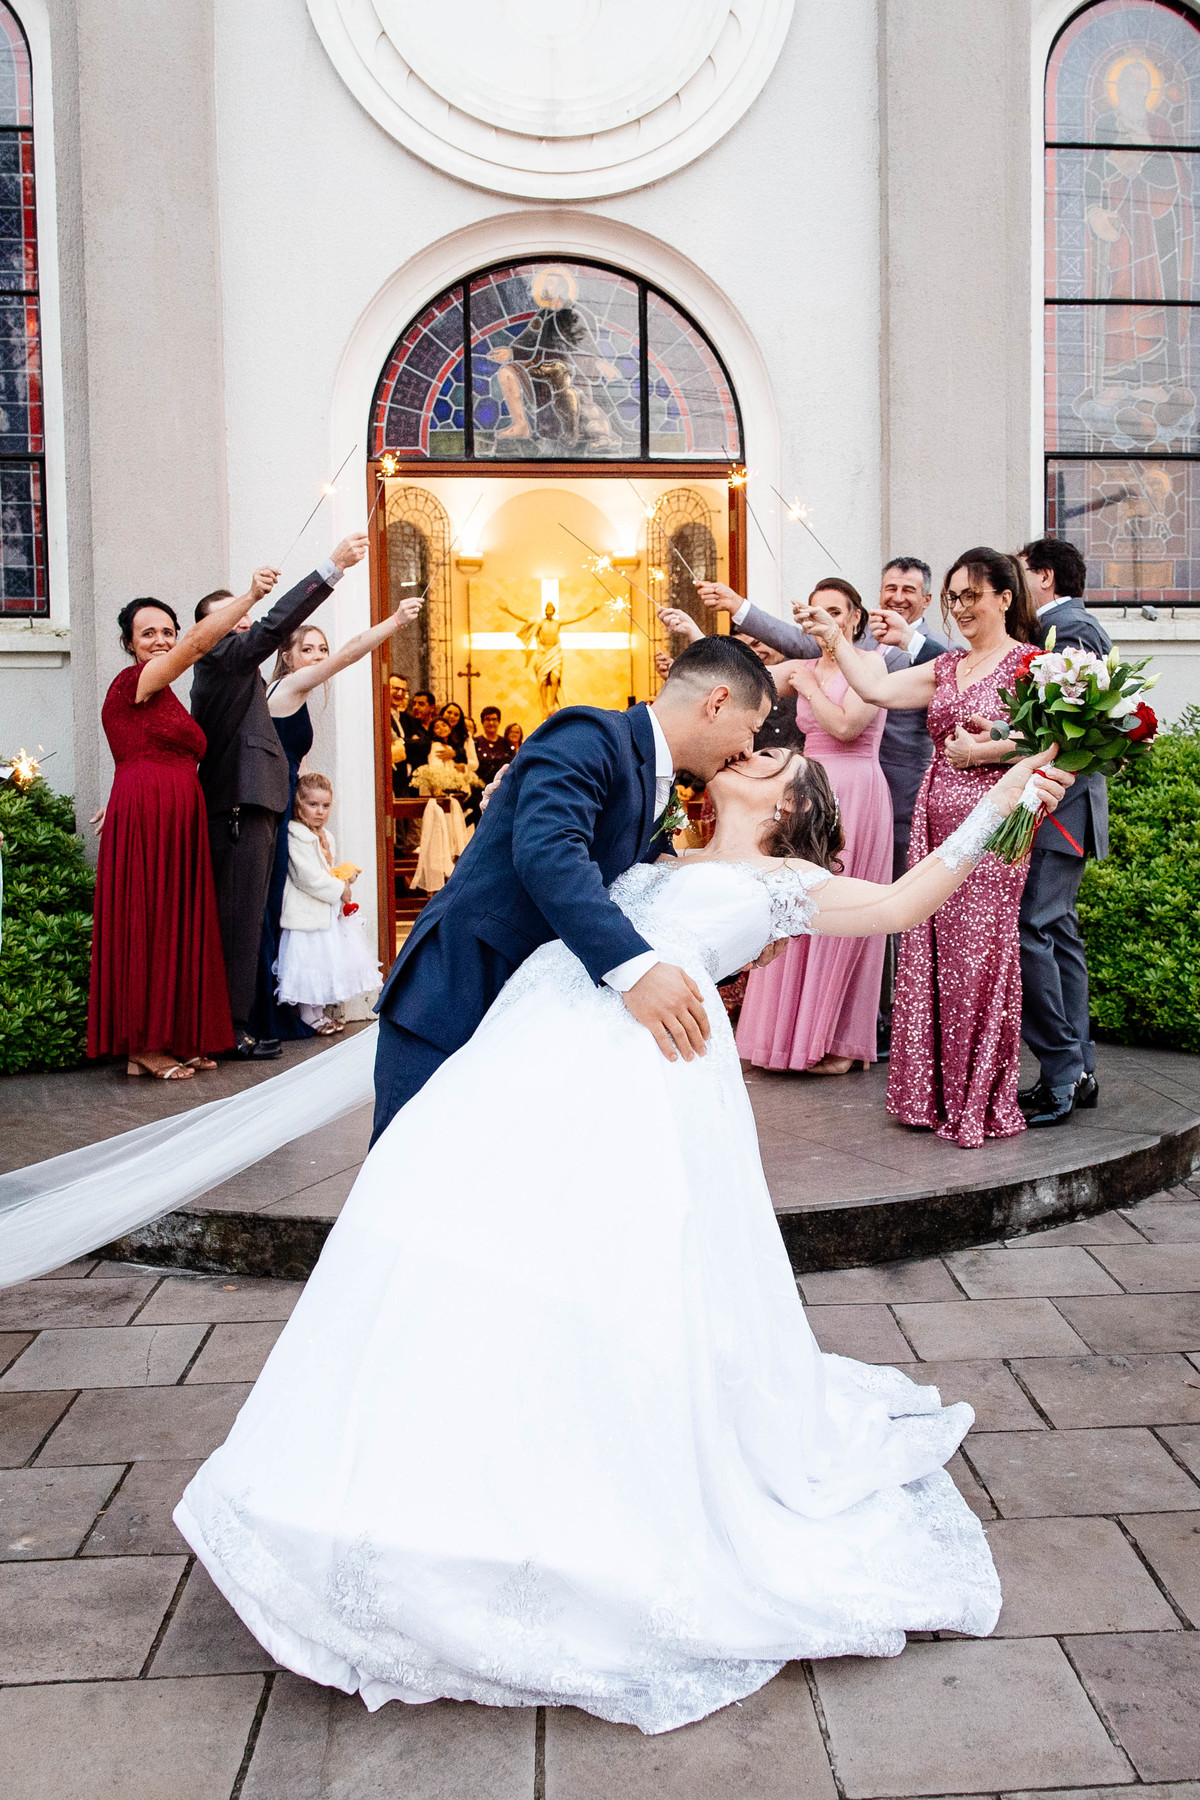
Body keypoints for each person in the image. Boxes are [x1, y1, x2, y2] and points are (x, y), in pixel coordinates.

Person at [173, 738, 1070, 1733]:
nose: (752, 750)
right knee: (463, 1241)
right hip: (525, 1053)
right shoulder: (647, 856)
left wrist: (1014, 805)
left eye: (773, 754)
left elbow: (911, 898)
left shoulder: (791, 882)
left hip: (641, 1081)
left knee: (611, 1265)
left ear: (793, 798)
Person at [369, 636, 779, 1144]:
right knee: (410, 1169)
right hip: (460, 986)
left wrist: (737, 935)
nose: (746, 748)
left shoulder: (663, 785)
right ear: (716, 703)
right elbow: (549, 852)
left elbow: (636, 893)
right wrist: (638, 971)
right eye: (752, 729)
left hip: (531, 1011)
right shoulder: (589, 734)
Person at [797, 548, 1039, 1147]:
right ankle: (927, 1096)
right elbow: (875, 688)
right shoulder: (948, 666)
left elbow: (1051, 741)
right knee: (927, 947)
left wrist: (986, 753)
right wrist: (835, 637)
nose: (959, 609)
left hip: (996, 827)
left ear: (1004, 599)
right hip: (935, 821)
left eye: (970, 597)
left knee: (977, 956)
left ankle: (976, 1094)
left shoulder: (1032, 665)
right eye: (953, 598)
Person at [88, 571, 278, 1079]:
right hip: (151, 815)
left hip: (173, 814)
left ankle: (171, 1036)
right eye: (148, 633)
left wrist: (120, 794)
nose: (161, 640)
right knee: (149, 923)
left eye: (168, 631)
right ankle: (143, 1046)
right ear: (129, 642)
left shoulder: (166, 694)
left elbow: (136, 747)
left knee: (177, 924)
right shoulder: (136, 679)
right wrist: (251, 599)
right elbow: (197, 646)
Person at [190, 533, 369, 1059]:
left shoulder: (234, 666)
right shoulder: (220, 657)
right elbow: (272, 627)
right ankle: (231, 1028)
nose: (242, 622)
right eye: (230, 617)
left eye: (243, 616)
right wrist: (331, 568)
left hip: (257, 806)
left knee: (252, 920)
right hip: (241, 808)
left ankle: (242, 1020)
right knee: (240, 921)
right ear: (210, 630)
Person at [736, 580, 894, 1075]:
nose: (824, 617)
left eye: (835, 610)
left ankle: (843, 1042)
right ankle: (793, 1038)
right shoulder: (802, 666)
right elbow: (747, 681)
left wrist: (805, 686)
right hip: (809, 796)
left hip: (858, 791)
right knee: (797, 906)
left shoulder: (871, 665)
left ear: (853, 619)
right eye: (816, 609)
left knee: (849, 911)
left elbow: (847, 726)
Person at [250, 598, 424, 1042]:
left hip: (284, 795)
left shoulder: (288, 692)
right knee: (282, 905)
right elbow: (351, 652)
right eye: (308, 649)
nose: (319, 657)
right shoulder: (288, 687)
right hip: (280, 803)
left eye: (321, 649)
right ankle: (280, 1009)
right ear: (287, 656)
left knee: (284, 904)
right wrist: (395, 621)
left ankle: (293, 1003)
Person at [1017, 539, 1110, 1125]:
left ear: (1045, 577)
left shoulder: (1069, 632)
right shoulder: (1064, 627)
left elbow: (1072, 729)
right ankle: (1081, 1071)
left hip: (1062, 805)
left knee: (1033, 927)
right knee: (1060, 934)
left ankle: (1062, 1073)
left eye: (1021, 573)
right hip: (1062, 805)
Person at [275, 773, 380, 1035]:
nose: (319, 812)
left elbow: (327, 869)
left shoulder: (325, 836)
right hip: (305, 914)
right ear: (298, 804)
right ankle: (308, 1014)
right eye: (312, 805)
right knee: (308, 964)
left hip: (325, 913)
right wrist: (339, 889)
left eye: (325, 806)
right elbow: (307, 877)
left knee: (324, 963)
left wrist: (345, 874)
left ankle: (319, 1011)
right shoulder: (295, 835)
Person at [474, 706, 512, 786]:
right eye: (487, 719)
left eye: (494, 719)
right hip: (479, 789)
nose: (491, 723)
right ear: (482, 722)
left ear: (499, 721)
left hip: (502, 787)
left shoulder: (506, 742)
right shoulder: (475, 742)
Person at [388, 674, 410, 798]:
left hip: (404, 782)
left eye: (403, 690)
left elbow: (424, 744)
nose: (400, 693)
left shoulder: (407, 718)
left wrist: (403, 742)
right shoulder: (382, 716)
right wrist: (409, 742)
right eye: (396, 689)